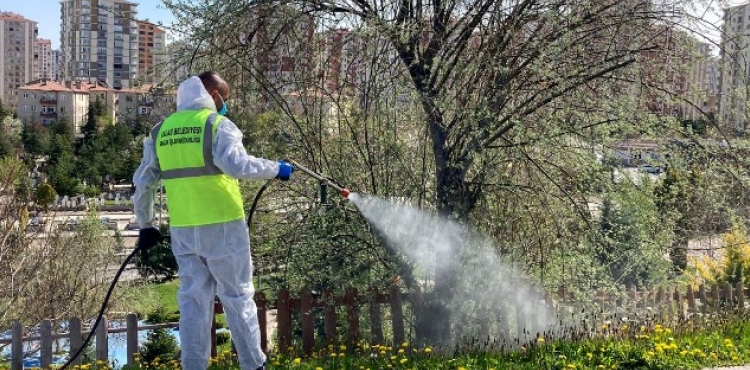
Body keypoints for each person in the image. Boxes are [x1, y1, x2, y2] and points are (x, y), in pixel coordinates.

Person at [132, 71, 293, 370]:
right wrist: (276, 169)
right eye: (224, 98)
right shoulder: (217, 124)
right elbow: (236, 164)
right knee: (238, 297)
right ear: (213, 94)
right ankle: (253, 365)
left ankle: (194, 366)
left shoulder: (160, 132)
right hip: (223, 227)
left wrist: (146, 224)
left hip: (183, 230)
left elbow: (144, 182)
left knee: (192, 303)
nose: (224, 105)